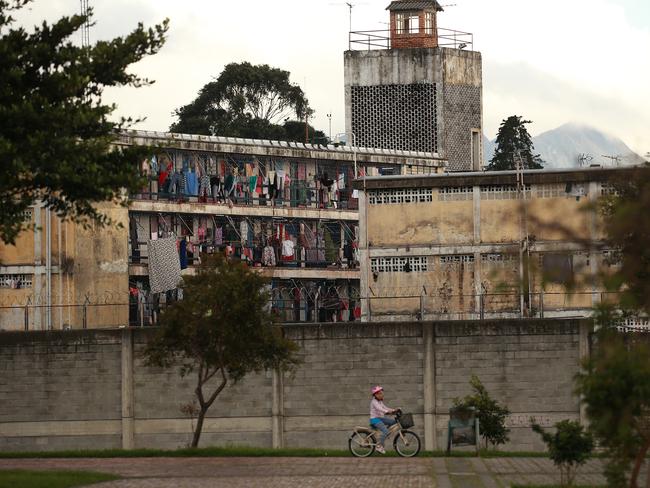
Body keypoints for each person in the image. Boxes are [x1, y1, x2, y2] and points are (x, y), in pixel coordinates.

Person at [369, 385, 398, 454]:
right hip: (375, 420)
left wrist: (394, 410)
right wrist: (387, 412)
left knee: (394, 422)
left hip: (380, 418)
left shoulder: (379, 401)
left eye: (382, 393)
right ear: (376, 394)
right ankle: (379, 446)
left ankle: (384, 434)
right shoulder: (374, 402)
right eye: (381, 393)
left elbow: (385, 407)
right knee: (386, 431)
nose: (382, 395)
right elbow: (380, 409)